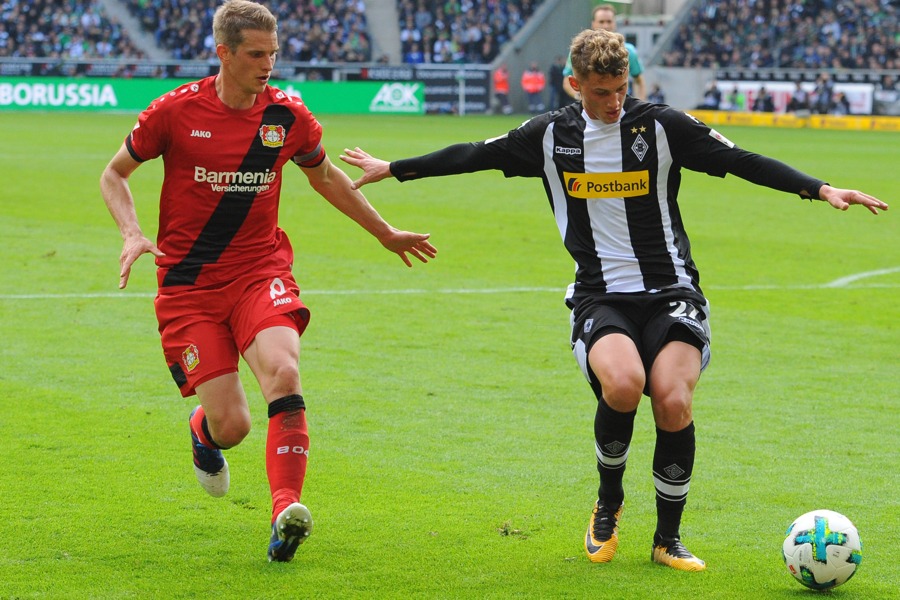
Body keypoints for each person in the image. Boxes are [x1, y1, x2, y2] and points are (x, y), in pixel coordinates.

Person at [339, 28, 888, 572]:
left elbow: (742, 160)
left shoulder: (662, 127)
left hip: (672, 290)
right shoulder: (550, 135)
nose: (613, 101)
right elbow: (474, 154)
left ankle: (667, 538)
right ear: (574, 84)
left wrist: (820, 188)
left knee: (671, 399)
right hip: (600, 295)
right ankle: (608, 504)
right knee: (624, 385)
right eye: (600, 92)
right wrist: (395, 168)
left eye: (621, 88)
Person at [99, 0, 436, 563]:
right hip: (188, 286)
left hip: (260, 271)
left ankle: (285, 512)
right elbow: (115, 173)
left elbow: (325, 176)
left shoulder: (287, 115)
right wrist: (132, 231)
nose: (268, 65)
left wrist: (384, 231)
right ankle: (205, 432)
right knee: (233, 425)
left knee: (284, 370)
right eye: (256, 55)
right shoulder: (175, 112)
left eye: (273, 53)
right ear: (223, 53)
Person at [563, 4, 645, 100]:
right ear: (593, 24)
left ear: (614, 23)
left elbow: (639, 81)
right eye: (601, 22)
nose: (606, 25)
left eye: (609, 21)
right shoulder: (579, 51)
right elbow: (566, 82)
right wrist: (581, 98)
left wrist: (640, 108)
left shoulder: (628, 51)